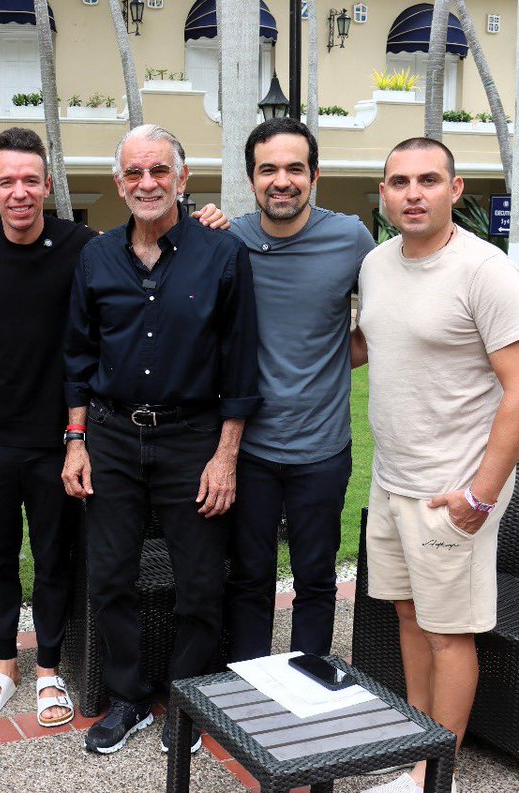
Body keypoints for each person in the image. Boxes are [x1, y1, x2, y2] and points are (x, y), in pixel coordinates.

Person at [63, 124, 261, 755]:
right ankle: (127, 699)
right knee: (112, 576)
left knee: (200, 581)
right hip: (114, 436)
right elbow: (77, 355)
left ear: (181, 177)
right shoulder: (96, 258)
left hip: (194, 438)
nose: (146, 183)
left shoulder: (223, 254)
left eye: (158, 171)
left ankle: (186, 699)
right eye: (133, 173)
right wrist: (76, 439)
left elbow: (240, 363)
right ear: (119, 184)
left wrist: (226, 455)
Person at [354, 138, 519, 793]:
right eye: (399, 180)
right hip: (391, 478)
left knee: (447, 634)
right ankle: (419, 740)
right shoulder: (377, 264)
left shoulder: (486, 271)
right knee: (410, 616)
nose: (413, 193)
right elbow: (371, 343)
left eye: (428, 180)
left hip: (452, 491)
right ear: (383, 192)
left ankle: (437, 774)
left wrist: (480, 496)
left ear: (455, 190)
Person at [0, 128, 96, 727]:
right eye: (7, 181)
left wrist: (75, 435)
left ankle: (49, 670)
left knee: (53, 557)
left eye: (30, 181)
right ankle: (6, 662)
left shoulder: (83, 246)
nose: (20, 192)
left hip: (54, 437)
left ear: (47, 186)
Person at [222, 117, 375, 662]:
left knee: (315, 575)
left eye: (294, 168)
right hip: (250, 449)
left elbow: (386, 321)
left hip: (323, 448)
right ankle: (247, 687)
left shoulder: (351, 238)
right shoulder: (228, 240)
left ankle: (309, 678)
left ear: (314, 175)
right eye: (268, 169)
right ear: (251, 178)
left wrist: (333, 359)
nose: (281, 180)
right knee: (250, 576)